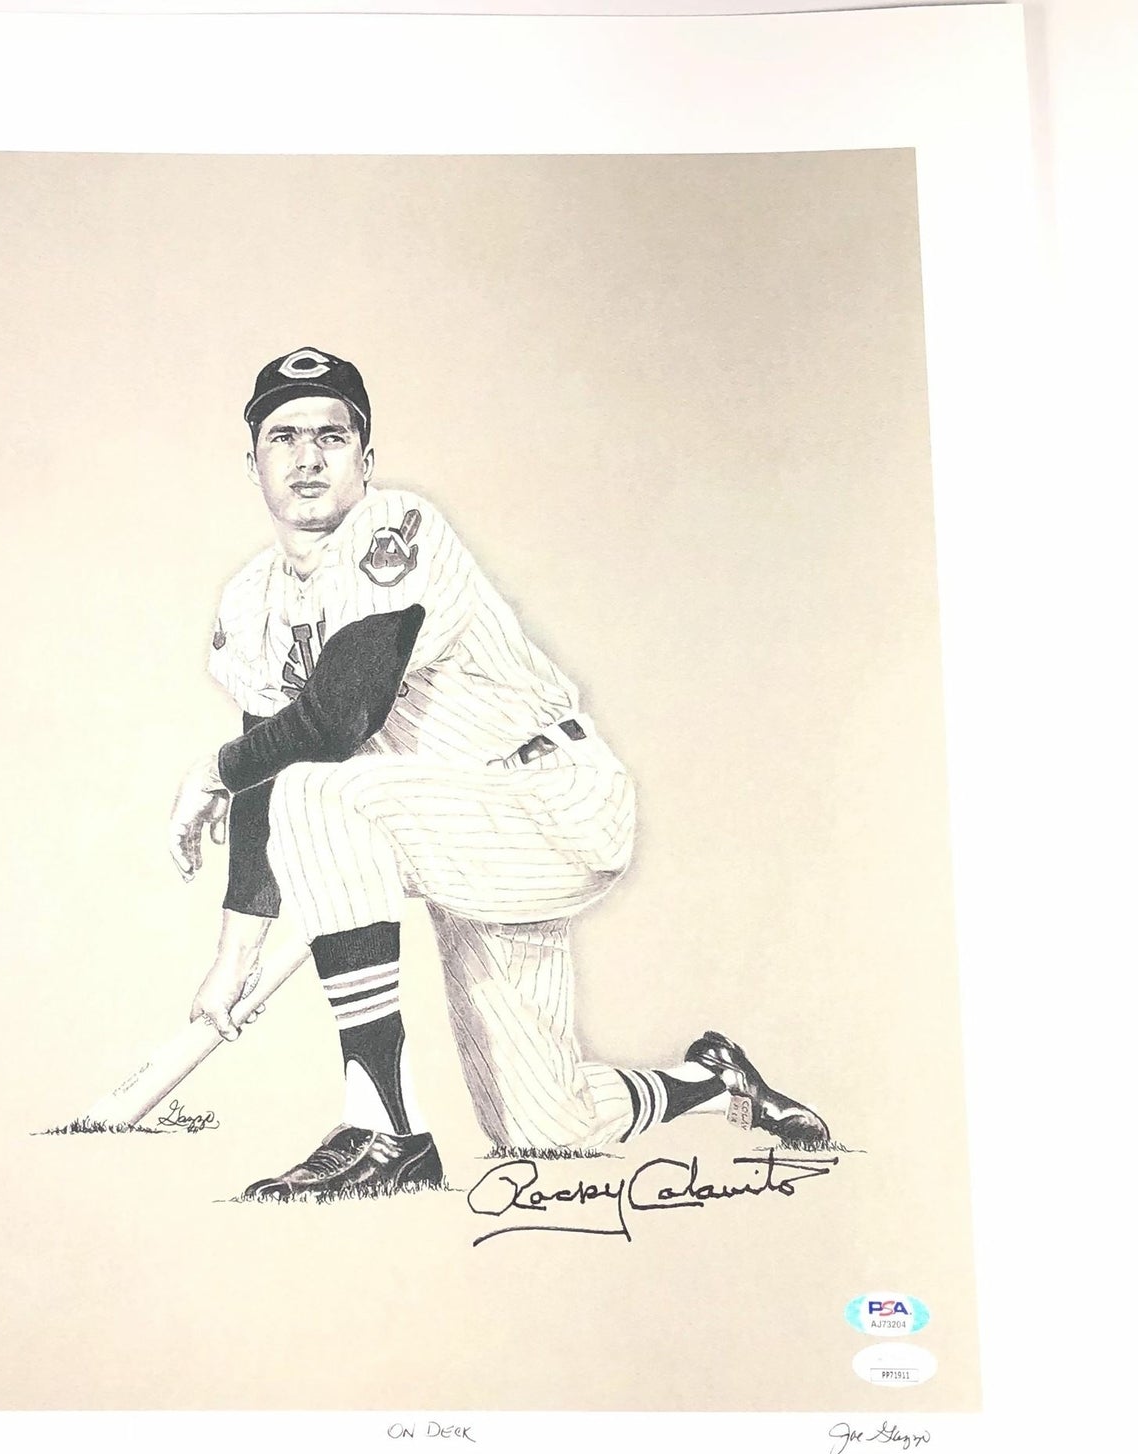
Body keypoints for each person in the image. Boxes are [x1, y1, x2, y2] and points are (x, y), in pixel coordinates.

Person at [167, 347, 829, 1201]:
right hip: (459, 833)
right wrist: (234, 954)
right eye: (283, 437)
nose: (307, 456)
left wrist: (213, 771)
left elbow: (337, 719)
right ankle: (716, 1079)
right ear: (252, 460)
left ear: (366, 459)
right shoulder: (251, 599)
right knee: (547, 1123)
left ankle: (384, 1130)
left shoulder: (392, 528)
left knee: (320, 789)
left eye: (332, 436)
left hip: (547, 797)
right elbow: (267, 776)